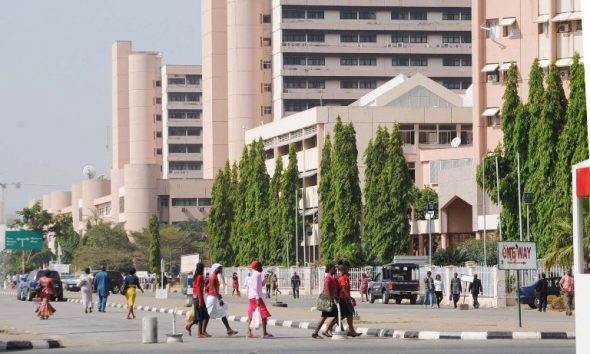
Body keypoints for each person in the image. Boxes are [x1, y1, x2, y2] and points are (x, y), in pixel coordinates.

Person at [206, 263, 238, 336]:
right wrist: (219, 299)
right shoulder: (213, 277)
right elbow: (213, 289)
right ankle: (201, 330)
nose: (221, 270)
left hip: (215, 297)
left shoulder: (215, 276)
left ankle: (229, 329)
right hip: (212, 298)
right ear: (215, 269)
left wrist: (218, 295)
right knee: (207, 315)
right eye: (219, 268)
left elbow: (209, 288)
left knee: (222, 313)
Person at [246, 260, 273, 339]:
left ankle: (249, 332)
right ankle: (264, 333)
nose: (262, 268)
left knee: (251, 315)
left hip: (251, 297)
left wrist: (265, 278)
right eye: (261, 266)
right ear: (257, 267)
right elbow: (255, 288)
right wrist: (258, 299)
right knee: (264, 314)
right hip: (256, 297)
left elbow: (261, 284)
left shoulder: (254, 274)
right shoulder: (257, 275)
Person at [311, 264, 338, 339]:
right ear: (330, 269)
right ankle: (316, 333)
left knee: (335, 316)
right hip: (328, 300)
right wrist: (330, 300)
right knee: (327, 316)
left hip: (329, 300)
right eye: (334, 268)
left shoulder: (331, 278)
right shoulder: (328, 278)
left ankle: (318, 332)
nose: (335, 269)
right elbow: (327, 290)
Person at [336, 261, 361, 337]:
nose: (349, 269)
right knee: (345, 315)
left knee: (349, 314)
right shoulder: (343, 278)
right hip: (343, 298)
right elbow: (344, 289)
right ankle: (329, 327)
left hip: (344, 298)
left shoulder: (342, 277)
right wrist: (351, 298)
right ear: (344, 269)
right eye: (347, 268)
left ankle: (351, 330)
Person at [186, 262, 210, 338]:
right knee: (202, 317)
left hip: (195, 297)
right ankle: (200, 333)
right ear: (202, 268)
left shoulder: (195, 276)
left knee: (202, 316)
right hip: (199, 298)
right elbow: (199, 290)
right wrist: (200, 301)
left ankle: (190, 326)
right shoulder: (200, 277)